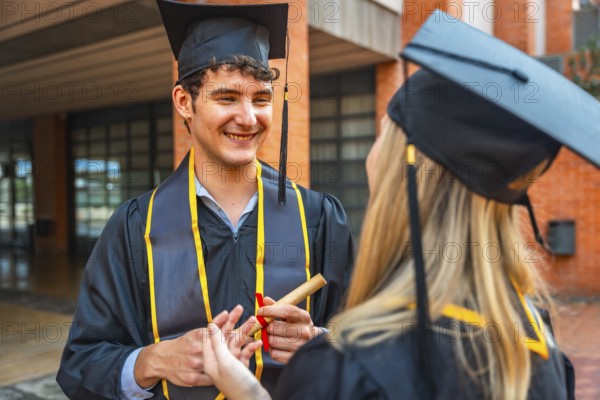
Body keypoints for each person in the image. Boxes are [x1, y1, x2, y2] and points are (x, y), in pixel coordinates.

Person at [198, 10, 600, 400]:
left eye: (383, 134)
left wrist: (249, 392)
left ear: (404, 168)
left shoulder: (347, 369)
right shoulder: (533, 337)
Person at [56, 2, 353, 399]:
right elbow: (81, 364)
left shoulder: (318, 217)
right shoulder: (135, 227)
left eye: (261, 99)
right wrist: (152, 361)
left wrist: (323, 342)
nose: (248, 118)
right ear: (184, 102)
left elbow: (374, 347)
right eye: (227, 97)